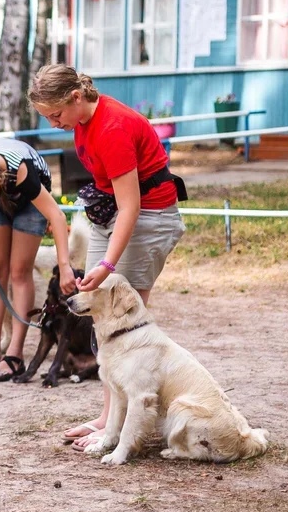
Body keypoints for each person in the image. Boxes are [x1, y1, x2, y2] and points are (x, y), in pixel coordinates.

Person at [28, 65, 185, 449]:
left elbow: (132, 207)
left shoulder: (112, 128)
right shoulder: (82, 121)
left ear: (76, 98)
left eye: (56, 114)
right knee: (102, 320)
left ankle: (124, 424)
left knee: (123, 324)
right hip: (110, 214)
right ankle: (107, 417)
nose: (53, 123)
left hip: (147, 219)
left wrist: (108, 265)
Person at [0, 137, 77, 382]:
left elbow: (58, 217)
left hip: (29, 201)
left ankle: (15, 356)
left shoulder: (21, 170)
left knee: (19, 271)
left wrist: (64, 268)